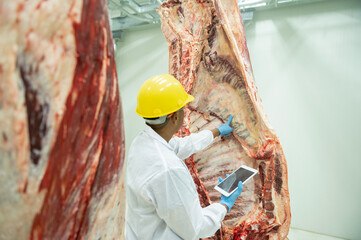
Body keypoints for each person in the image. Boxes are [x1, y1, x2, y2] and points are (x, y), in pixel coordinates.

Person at [125, 74, 244, 240]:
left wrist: (216, 131)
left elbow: (181, 146)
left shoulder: (142, 143)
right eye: (182, 108)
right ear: (174, 117)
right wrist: (224, 205)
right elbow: (196, 228)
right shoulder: (168, 170)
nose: (184, 111)